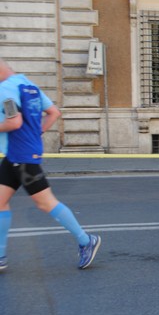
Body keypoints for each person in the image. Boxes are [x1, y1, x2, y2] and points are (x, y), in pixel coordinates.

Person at [0, 58, 101, 271]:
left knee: (45, 203)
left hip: (22, 158)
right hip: (15, 156)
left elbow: (14, 122)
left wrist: (27, 135)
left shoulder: (5, 89)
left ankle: (86, 240)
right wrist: (37, 133)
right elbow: (54, 112)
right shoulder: (29, 85)